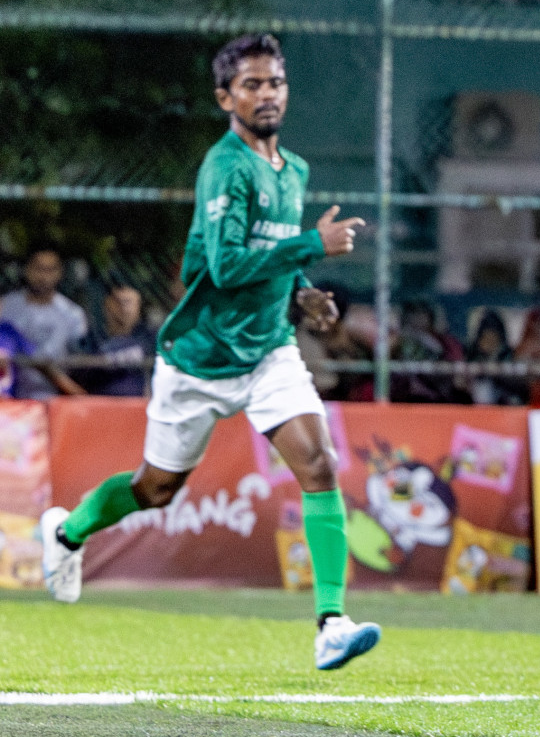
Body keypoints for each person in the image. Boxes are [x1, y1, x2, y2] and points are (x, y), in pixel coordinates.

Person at [38, 33, 381, 672]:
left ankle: (331, 623)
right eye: (250, 84)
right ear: (225, 97)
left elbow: (271, 259)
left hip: (269, 353)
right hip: (198, 358)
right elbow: (224, 268)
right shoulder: (225, 166)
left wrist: (304, 295)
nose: (266, 93)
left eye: (274, 81)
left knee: (319, 466)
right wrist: (310, 246)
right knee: (157, 489)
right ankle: (66, 534)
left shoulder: (294, 170)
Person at [0, 246, 89, 399]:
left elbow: (80, 363)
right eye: (39, 268)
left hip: (59, 400)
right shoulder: (5, 307)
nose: (44, 276)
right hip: (11, 400)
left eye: (50, 270)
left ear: (60, 272)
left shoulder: (73, 314)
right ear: (27, 269)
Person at [80, 283, 157, 397]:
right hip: (99, 404)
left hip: (139, 405)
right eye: (118, 302)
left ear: (139, 306)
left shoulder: (149, 338)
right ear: (107, 304)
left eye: (129, 302)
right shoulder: (93, 339)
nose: (124, 308)